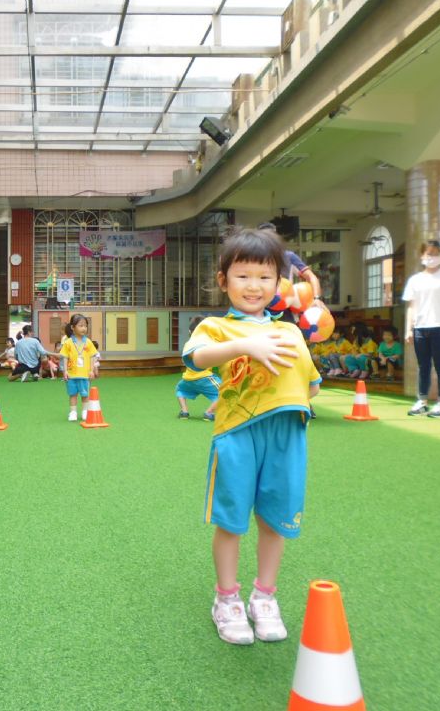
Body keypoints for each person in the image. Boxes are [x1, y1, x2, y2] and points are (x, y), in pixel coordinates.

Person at [184, 226, 320, 646]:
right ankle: (227, 599)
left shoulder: (291, 331)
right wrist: (247, 347)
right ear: (223, 280)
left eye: (265, 276)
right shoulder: (217, 327)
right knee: (231, 521)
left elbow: (312, 384)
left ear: (279, 283)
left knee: (274, 520)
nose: (253, 285)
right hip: (238, 434)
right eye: (242, 275)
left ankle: (265, 597)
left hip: (287, 434)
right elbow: (195, 357)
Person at [403, 240, 440, 418]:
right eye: (429, 253)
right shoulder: (415, 280)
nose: (432, 257)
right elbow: (411, 306)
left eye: (436, 254)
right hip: (421, 327)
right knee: (423, 366)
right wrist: (409, 329)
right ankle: (422, 401)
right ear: (422, 255)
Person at [176, 317, 221, 421]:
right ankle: (209, 413)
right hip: (205, 378)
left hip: (188, 379)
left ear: (190, 332)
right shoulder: (208, 343)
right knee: (226, 391)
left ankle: (184, 412)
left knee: (180, 389)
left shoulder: (188, 344)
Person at [58, 314, 99, 421]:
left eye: (85, 326)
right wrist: (65, 371)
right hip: (71, 374)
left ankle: (85, 411)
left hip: (84, 374)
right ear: (72, 327)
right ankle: (73, 412)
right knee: (73, 394)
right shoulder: (68, 342)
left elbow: (92, 357)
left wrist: (91, 370)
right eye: (80, 326)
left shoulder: (88, 342)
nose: (84, 328)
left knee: (85, 394)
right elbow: (65, 357)